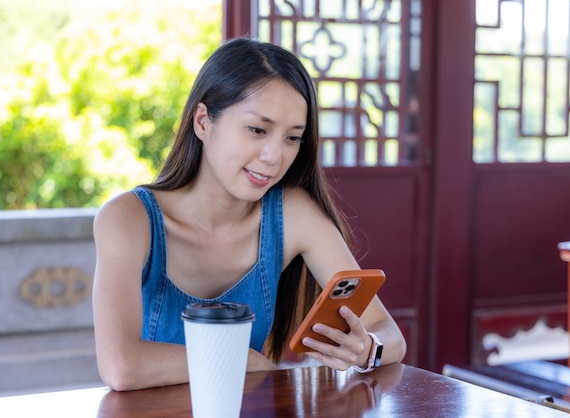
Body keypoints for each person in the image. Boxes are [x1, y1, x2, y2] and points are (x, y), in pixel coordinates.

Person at [92, 37, 407, 391]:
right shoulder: (129, 220)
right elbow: (121, 366)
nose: (275, 156)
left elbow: (389, 334)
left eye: (292, 138)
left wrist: (368, 349)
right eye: (258, 130)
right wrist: (243, 360)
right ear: (202, 122)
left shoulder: (291, 214)